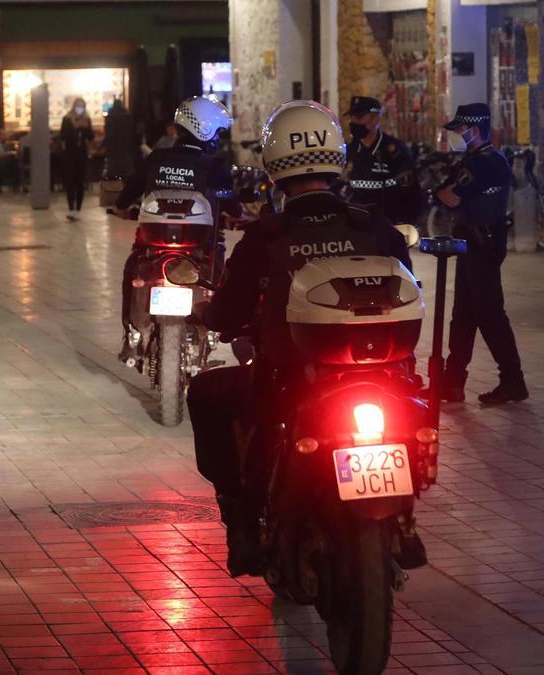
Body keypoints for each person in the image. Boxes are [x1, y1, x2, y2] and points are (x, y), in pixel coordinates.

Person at [185, 100, 414, 576]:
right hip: (382, 376)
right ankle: (406, 524)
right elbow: (407, 282)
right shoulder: (373, 226)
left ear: (273, 167)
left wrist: (212, 314)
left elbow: (228, 311)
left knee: (205, 391)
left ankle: (240, 520)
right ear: (336, 158)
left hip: (290, 383)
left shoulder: (265, 237)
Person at [117, 96, 239, 354]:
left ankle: (130, 333)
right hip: (202, 247)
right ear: (205, 129)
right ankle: (216, 322)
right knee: (219, 268)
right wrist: (233, 214)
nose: (218, 138)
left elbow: (127, 193)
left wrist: (122, 207)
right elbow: (233, 206)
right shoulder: (215, 165)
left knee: (134, 266)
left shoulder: (157, 158)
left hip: (153, 244)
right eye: (217, 131)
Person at [426, 103, 527, 405]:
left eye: (460, 129)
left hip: (483, 243)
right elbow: (442, 192)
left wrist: (445, 193)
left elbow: (450, 194)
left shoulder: (487, 162)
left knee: (490, 315)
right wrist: (444, 193)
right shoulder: (474, 159)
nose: (456, 134)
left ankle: (513, 381)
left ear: (474, 129)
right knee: (464, 317)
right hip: (470, 242)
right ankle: (453, 383)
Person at [342, 95, 421, 227]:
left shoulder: (394, 151)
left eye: (360, 117)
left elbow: (411, 192)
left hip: (388, 224)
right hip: (358, 224)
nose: (354, 121)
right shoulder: (350, 150)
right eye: (352, 117)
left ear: (375, 118)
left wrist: (405, 226)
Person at [60, 97, 94, 220]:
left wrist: (84, 127)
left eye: (82, 106)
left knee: (79, 182)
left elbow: (91, 136)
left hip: (81, 155)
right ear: (73, 107)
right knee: (70, 182)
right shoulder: (67, 119)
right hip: (69, 155)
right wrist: (74, 127)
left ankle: (78, 209)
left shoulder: (87, 119)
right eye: (77, 106)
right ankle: (71, 209)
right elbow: (63, 136)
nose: (79, 108)